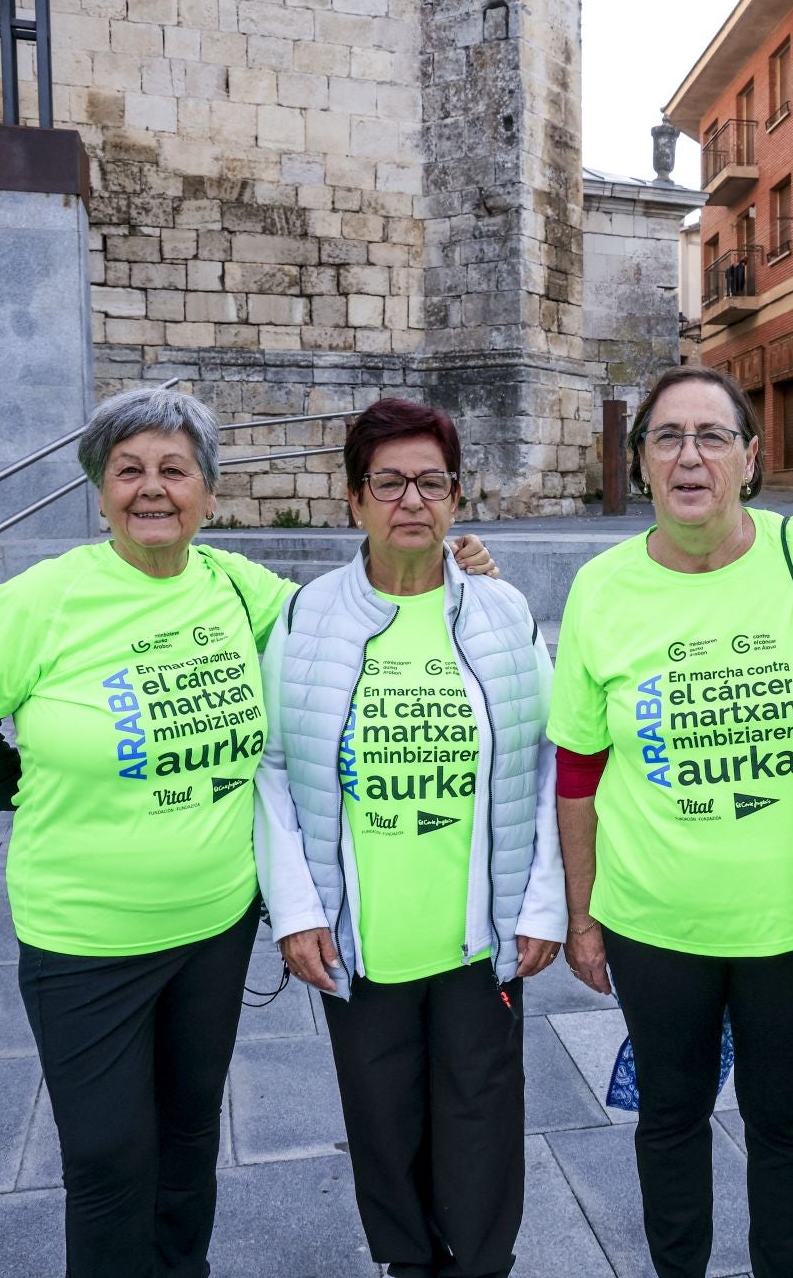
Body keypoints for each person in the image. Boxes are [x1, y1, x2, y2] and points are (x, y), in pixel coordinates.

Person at [0, 386, 494, 1278]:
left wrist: (453, 568)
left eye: (175, 471)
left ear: (208, 495)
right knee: (107, 1159)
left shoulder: (237, 587)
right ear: (99, 491)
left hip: (214, 929)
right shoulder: (43, 601)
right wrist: (29, 794)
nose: (153, 489)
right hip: (85, 937)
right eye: (129, 470)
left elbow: (345, 611)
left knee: (187, 1144)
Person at [549, 365, 793, 1278]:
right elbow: (578, 766)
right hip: (655, 921)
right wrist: (582, 918)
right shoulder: (603, 587)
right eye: (668, 438)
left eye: (713, 437)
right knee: (669, 1117)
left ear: (750, 459)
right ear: (641, 463)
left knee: (785, 1118)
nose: (690, 456)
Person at [252, 397, 565, 1278]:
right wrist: (296, 910)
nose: (410, 501)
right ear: (353, 500)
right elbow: (270, 766)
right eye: (387, 482)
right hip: (361, 936)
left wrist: (543, 900)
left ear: (457, 498)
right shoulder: (308, 617)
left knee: (483, 1116)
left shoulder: (502, 615)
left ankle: (480, 1264)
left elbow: (548, 762)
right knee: (382, 1124)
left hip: (480, 937)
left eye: (431, 481)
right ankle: (406, 1264)